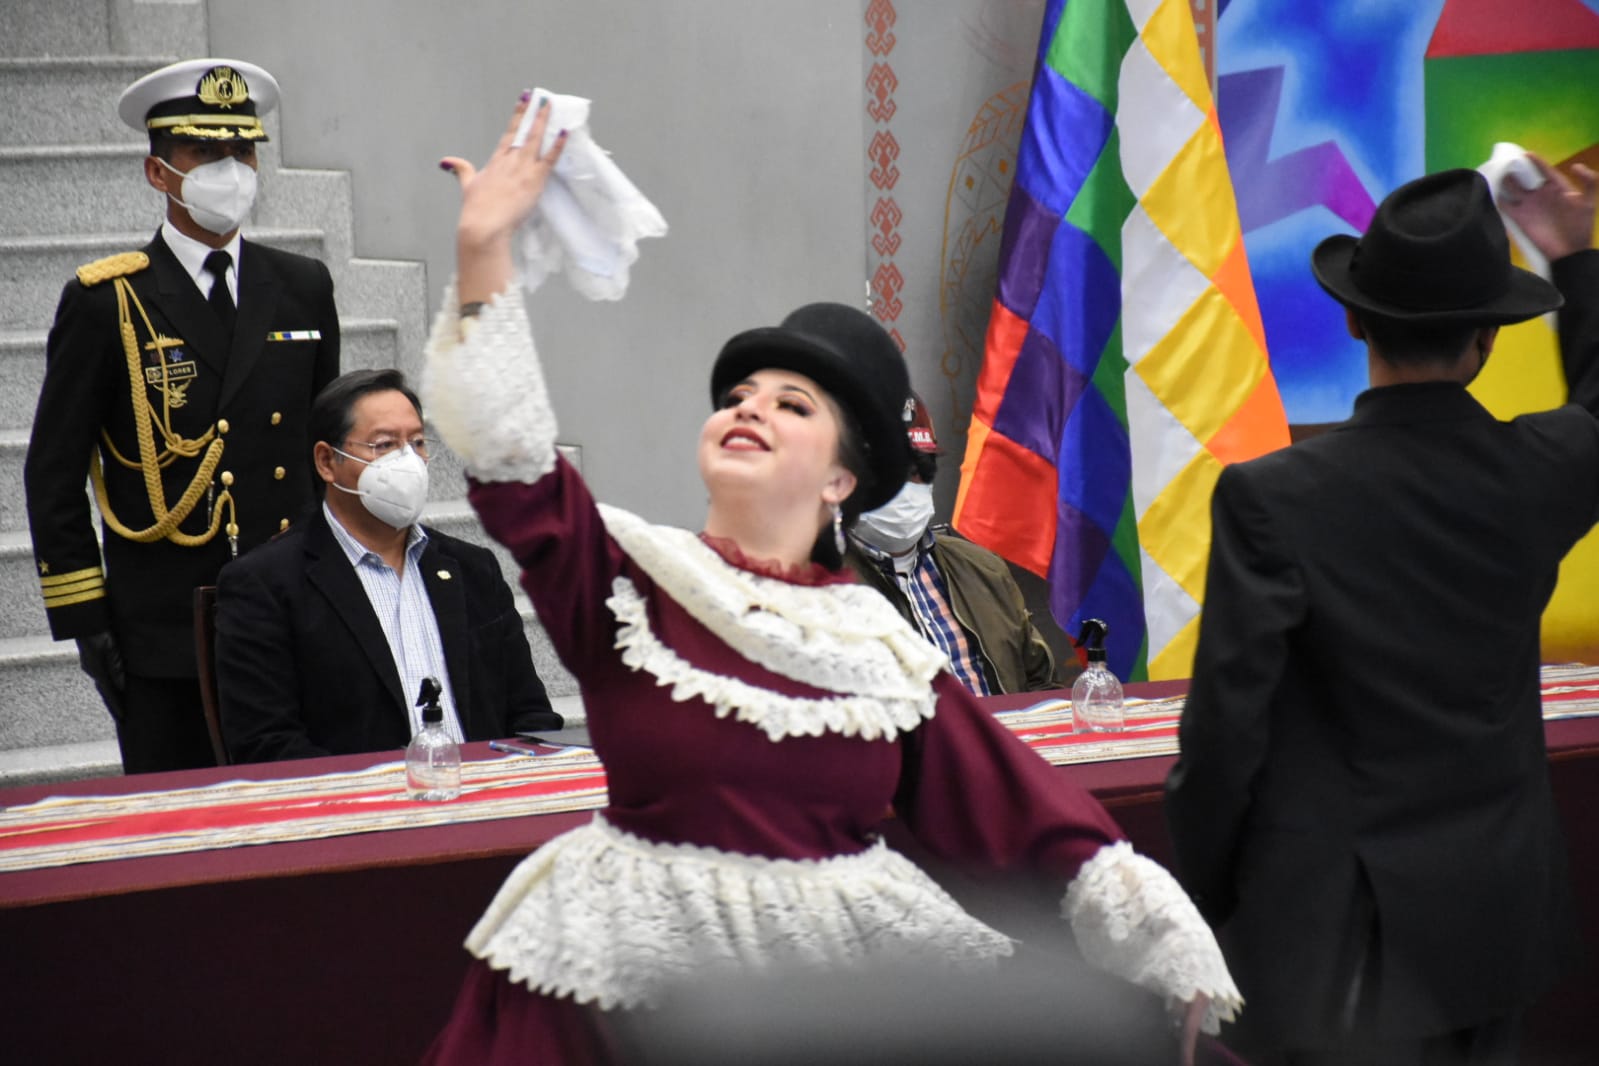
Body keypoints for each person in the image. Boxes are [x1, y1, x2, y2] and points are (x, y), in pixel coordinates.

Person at [417, 94, 1239, 1066]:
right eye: (737, 396)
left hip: (830, 996)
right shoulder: (630, 579)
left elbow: (1019, 814)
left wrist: (1160, 938)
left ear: (842, 478)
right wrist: (483, 251)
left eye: (792, 404)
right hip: (615, 997)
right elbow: (510, 459)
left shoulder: (876, 648)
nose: (749, 409)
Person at [1165, 159, 1599, 1065]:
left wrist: (1195, 902)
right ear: (1488, 337)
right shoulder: (1541, 470)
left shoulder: (1271, 498)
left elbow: (1226, 730)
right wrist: (1574, 254)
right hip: (1497, 921)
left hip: (1338, 943)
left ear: (1354, 319)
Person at [23, 58, 340, 773]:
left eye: (243, 151)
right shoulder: (107, 302)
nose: (231, 171)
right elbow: (54, 472)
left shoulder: (302, 285)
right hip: (167, 626)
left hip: (292, 604)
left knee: (302, 804)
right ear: (158, 172)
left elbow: (326, 449)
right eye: (204, 151)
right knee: (185, 816)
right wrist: (86, 619)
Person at [212, 368, 561, 763]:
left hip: (484, 790)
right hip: (358, 796)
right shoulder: (265, 584)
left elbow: (531, 716)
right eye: (384, 445)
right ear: (327, 461)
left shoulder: (473, 570)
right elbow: (266, 744)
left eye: (417, 443)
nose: (408, 461)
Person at [846, 390, 1065, 694]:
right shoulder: (812, 589)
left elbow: (1039, 685)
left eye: (918, 469)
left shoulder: (982, 570)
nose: (907, 486)